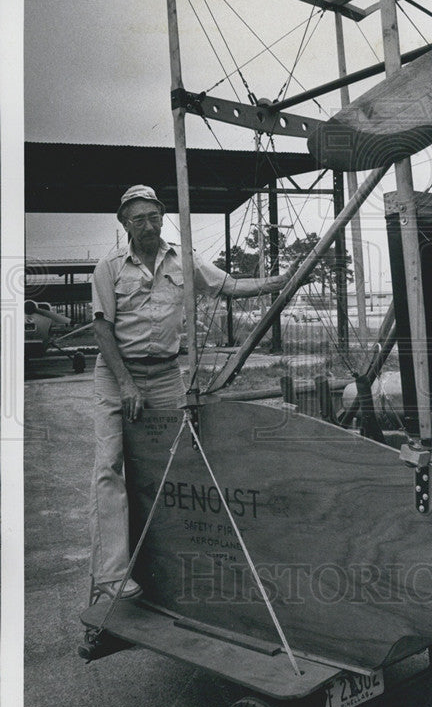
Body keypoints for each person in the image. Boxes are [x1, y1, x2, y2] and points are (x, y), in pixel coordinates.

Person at [90, 184, 300, 600]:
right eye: (138, 219)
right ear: (124, 223)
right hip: (117, 374)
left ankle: (172, 558)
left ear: (163, 216)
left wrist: (282, 280)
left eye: (153, 216)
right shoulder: (109, 266)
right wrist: (127, 384)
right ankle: (112, 574)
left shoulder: (182, 260)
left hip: (166, 373)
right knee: (109, 466)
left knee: (175, 463)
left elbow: (230, 286)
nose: (148, 225)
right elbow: (101, 328)